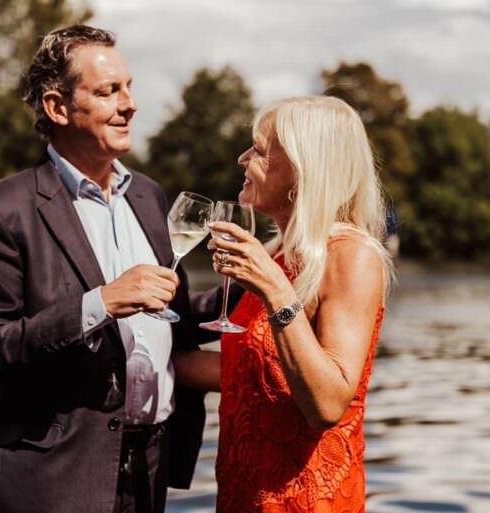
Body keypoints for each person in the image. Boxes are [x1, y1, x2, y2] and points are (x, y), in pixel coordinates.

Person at [0, 24, 208, 513]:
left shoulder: (149, 196)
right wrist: (100, 303)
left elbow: (166, 316)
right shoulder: (1, 212)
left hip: (148, 471)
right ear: (57, 107)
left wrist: (245, 292)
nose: (130, 103)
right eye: (109, 91)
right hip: (52, 482)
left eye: (129, 87)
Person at [175, 96, 394, 512]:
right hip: (241, 496)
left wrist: (276, 291)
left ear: (302, 166)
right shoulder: (277, 255)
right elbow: (248, 373)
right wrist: (137, 360)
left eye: (257, 149)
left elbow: (328, 404)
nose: (242, 158)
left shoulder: (351, 256)